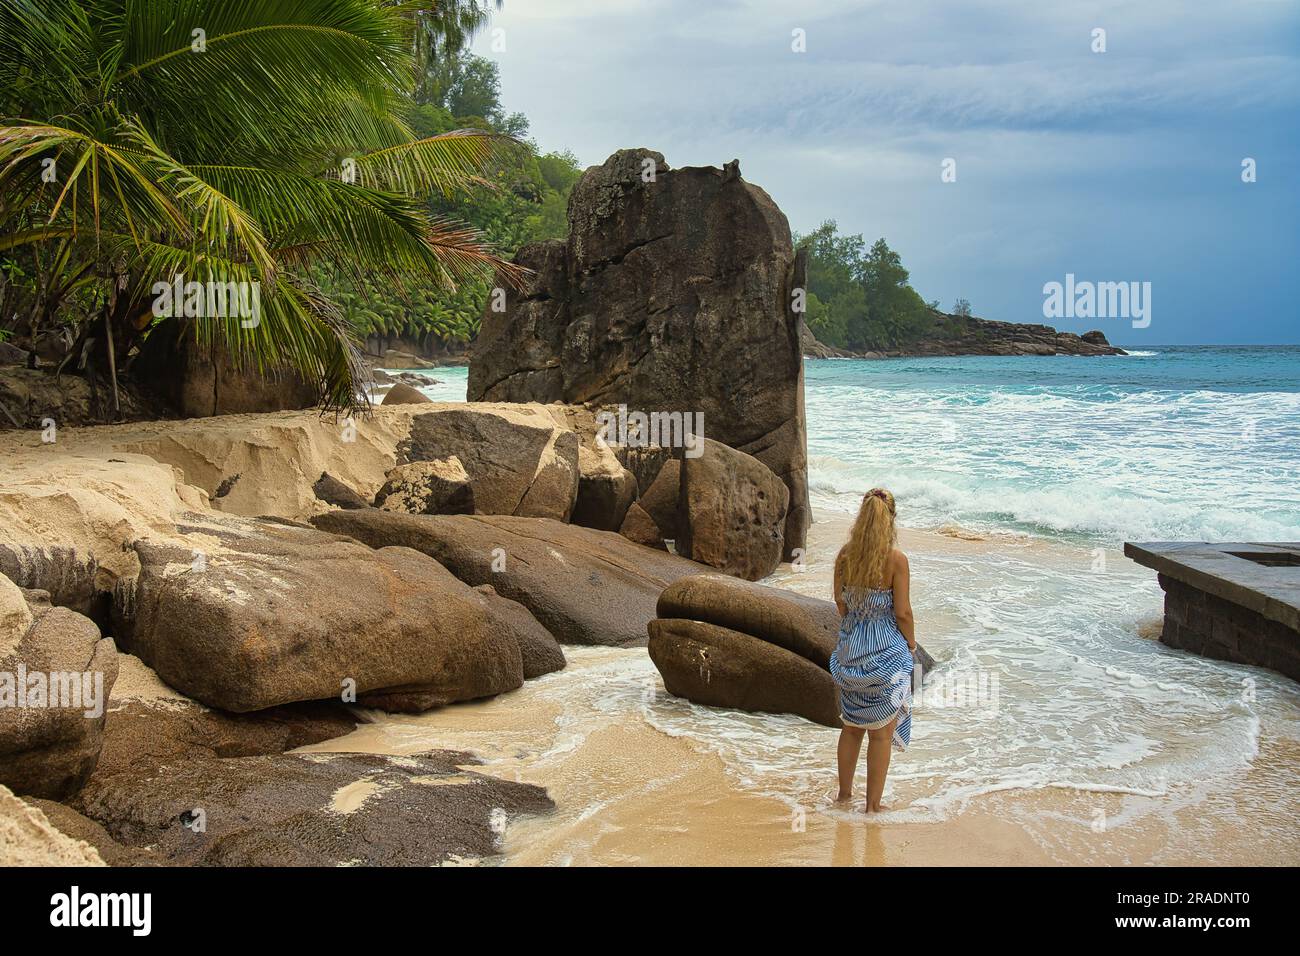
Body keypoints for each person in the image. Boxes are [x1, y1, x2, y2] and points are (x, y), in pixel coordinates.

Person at [830, 488, 916, 812]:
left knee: (851, 728)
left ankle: (843, 796)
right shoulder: (896, 560)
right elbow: (903, 613)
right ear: (890, 519)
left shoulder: (844, 556)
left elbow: (841, 603)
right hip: (885, 655)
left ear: (861, 517)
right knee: (881, 735)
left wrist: (857, 628)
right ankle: (872, 807)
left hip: (851, 653)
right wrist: (909, 643)